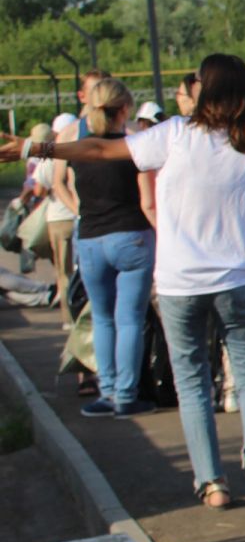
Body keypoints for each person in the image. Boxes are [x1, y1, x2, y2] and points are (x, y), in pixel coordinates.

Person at [6, 56, 245, 508]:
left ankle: (211, 483)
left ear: (208, 89)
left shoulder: (175, 135)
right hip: (237, 281)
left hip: (180, 284)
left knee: (192, 381)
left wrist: (35, 148)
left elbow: (102, 150)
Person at [71, 78, 157, 418]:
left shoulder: (81, 151)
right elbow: (147, 201)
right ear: (125, 110)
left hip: (91, 237)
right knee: (130, 319)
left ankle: (105, 391)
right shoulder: (134, 148)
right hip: (131, 235)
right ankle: (126, 394)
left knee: (102, 318)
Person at [40, 113, 83, 327]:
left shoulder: (53, 155)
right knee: (81, 271)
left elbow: (40, 187)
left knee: (64, 273)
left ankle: (69, 318)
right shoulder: (86, 147)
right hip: (80, 217)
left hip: (58, 219)